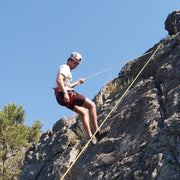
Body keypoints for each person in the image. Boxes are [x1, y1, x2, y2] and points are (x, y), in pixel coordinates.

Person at [54, 52, 109, 145]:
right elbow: (59, 79)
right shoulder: (65, 67)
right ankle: (97, 132)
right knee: (92, 105)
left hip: (60, 98)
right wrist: (65, 94)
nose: (75, 65)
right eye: (74, 63)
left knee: (84, 113)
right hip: (65, 94)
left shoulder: (67, 70)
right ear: (69, 60)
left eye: (77, 64)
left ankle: (90, 137)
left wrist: (78, 82)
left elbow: (67, 85)